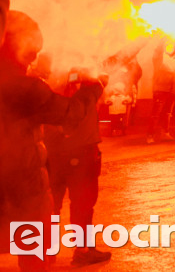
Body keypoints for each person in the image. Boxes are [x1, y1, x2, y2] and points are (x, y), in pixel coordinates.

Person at [1, 9, 103, 272]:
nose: (33, 58)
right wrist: (93, 90)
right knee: (33, 258)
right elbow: (70, 114)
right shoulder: (25, 88)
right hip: (22, 188)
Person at [44, 67, 111, 266]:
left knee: (50, 204)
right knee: (83, 203)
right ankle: (83, 250)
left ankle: (46, 251)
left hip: (52, 152)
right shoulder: (89, 86)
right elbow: (102, 80)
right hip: (82, 152)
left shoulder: (49, 83)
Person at [147, 42, 175, 143]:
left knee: (168, 113)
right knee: (156, 113)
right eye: (167, 46)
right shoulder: (160, 57)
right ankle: (150, 135)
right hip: (161, 89)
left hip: (172, 89)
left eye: (172, 46)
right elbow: (157, 52)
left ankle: (165, 133)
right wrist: (162, 40)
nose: (170, 48)